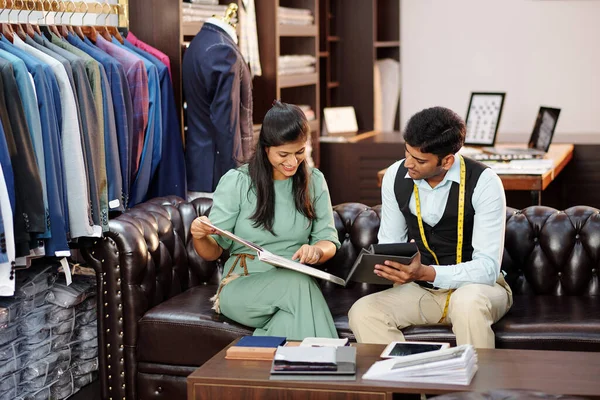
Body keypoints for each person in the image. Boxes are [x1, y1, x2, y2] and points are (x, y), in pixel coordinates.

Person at [348, 106, 513, 349]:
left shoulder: (485, 182)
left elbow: (487, 269)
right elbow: (389, 245)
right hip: (422, 290)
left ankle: (478, 387)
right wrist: (393, 267)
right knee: (363, 311)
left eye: (420, 160)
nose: (408, 164)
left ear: (447, 161)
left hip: (479, 289)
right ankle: (412, 385)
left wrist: (426, 272)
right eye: (407, 153)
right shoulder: (395, 176)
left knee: (467, 303)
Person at [190, 101, 341, 340]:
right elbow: (212, 252)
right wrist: (200, 236)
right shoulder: (237, 182)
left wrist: (316, 251)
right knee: (299, 285)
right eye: (284, 154)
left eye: (299, 152)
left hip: (294, 288)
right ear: (265, 148)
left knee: (291, 313)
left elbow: (328, 240)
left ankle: (266, 369)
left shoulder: (314, 182)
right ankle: (334, 365)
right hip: (243, 287)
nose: (292, 162)